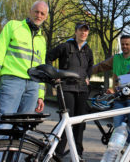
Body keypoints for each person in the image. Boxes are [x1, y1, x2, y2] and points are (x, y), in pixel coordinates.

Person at [0, 1, 48, 128]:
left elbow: (41, 69)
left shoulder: (42, 39)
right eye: (36, 11)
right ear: (30, 11)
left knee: (23, 128)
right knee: (5, 126)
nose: (38, 15)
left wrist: (40, 96)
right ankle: (2, 148)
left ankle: (17, 149)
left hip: (33, 87)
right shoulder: (13, 26)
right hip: (12, 82)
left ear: (45, 17)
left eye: (42, 13)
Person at [92, 34, 130, 162]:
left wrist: (116, 88)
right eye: (122, 44)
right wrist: (86, 72)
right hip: (118, 100)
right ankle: (129, 153)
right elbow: (101, 66)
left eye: (127, 44)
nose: (124, 46)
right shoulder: (116, 58)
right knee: (117, 131)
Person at [46, 22, 93, 160]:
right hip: (66, 88)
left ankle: (78, 154)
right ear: (75, 31)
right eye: (81, 30)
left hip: (82, 90)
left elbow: (90, 66)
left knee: (80, 122)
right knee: (67, 121)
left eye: (86, 31)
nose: (83, 33)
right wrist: (54, 76)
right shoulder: (65, 46)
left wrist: (88, 77)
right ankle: (57, 153)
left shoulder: (88, 50)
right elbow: (49, 56)